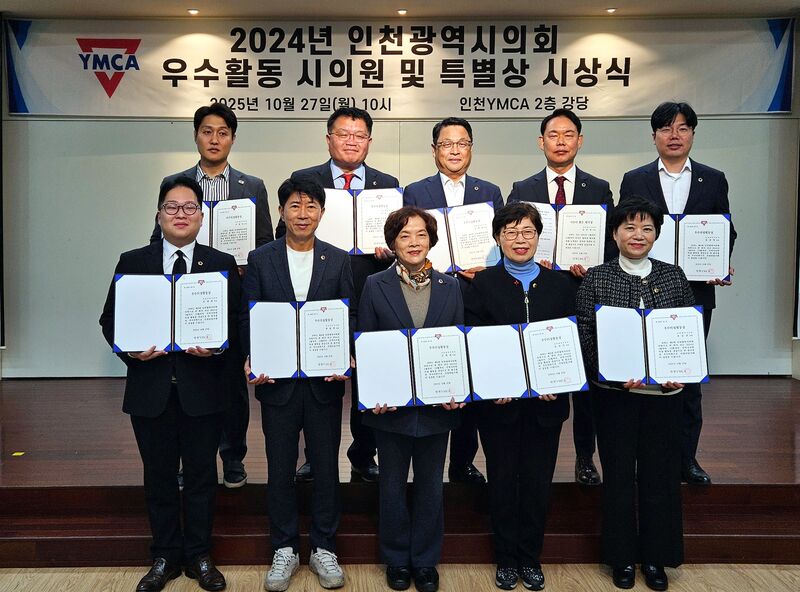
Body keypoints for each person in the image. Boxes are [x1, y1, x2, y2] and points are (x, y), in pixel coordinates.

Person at [100, 176, 239, 592]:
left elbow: (238, 323)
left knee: (201, 476)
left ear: (202, 216)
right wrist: (131, 352)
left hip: (203, 390)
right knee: (158, 476)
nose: (181, 214)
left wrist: (217, 348)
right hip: (151, 390)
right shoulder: (132, 261)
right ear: (159, 215)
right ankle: (163, 556)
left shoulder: (221, 263)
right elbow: (110, 320)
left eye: (189, 207)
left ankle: (199, 554)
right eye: (172, 207)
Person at [151, 102, 275, 489]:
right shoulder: (175, 182)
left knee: (231, 381)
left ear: (233, 139)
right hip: (186, 296)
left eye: (223, 132)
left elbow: (265, 242)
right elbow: (157, 239)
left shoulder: (252, 186)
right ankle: (189, 459)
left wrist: (248, 268)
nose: (214, 139)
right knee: (189, 377)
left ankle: (233, 456)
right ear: (196, 136)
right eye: (207, 131)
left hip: (232, 293)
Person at [242, 174, 354, 592]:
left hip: (324, 382)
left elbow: (349, 315)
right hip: (278, 382)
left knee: (326, 467)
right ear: (282, 212)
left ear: (321, 213)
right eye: (295, 205)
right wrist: (251, 358)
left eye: (310, 206)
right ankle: (284, 548)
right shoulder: (261, 258)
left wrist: (347, 355)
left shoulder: (337, 259)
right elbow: (249, 315)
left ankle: (324, 547)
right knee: (280, 468)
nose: (302, 214)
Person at [576, 196, 692, 591]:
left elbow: (687, 332)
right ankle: (622, 557)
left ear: (656, 234)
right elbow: (585, 333)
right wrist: (611, 373)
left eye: (646, 228)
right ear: (614, 234)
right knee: (619, 476)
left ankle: (657, 558)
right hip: (615, 398)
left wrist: (681, 373)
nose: (637, 235)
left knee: (661, 476)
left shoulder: (674, 276)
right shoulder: (596, 277)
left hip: (664, 398)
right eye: (629, 227)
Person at [620, 101, 737, 485]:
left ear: (692, 134)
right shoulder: (635, 179)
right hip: (642, 289)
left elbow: (725, 229)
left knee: (687, 379)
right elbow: (622, 229)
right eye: (666, 129)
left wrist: (720, 262)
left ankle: (687, 459)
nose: (674, 136)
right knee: (641, 375)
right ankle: (644, 458)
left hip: (695, 293)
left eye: (683, 128)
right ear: (654, 135)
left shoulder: (713, 179)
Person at [281, 107, 399, 484]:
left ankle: (364, 454)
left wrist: (391, 249)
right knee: (318, 378)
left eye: (359, 135)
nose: (351, 141)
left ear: (369, 141)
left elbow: (402, 241)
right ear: (328, 138)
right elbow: (287, 235)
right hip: (319, 294)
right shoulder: (303, 180)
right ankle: (314, 458)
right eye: (343, 134)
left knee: (368, 375)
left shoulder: (387, 184)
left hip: (371, 291)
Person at [464, 202, 576, 591]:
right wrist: (492, 384)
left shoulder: (560, 284)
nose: (520, 239)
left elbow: (568, 342)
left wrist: (558, 381)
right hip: (500, 407)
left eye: (528, 231)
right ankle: (506, 558)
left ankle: (530, 557)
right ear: (498, 238)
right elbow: (474, 341)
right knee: (502, 480)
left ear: (539, 237)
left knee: (537, 483)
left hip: (546, 406)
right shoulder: (483, 284)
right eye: (510, 232)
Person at [358, 206, 464, 592]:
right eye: (404, 235)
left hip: (437, 408)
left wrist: (458, 391)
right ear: (392, 243)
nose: (414, 242)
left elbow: (457, 343)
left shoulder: (451, 286)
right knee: (391, 485)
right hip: (390, 409)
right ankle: (396, 559)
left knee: (431, 485)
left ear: (431, 240)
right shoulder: (374, 285)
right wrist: (373, 395)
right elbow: (366, 342)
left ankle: (425, 561)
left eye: (421, 234)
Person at [507, 109, 615, 486]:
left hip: (584, 294)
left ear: (579, 141)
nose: (561, 141)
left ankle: (585, 457)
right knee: (540, 373)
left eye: (569, 135)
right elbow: (510, 236)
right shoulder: (523, 188)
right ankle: (529, 455)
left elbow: (610, 241)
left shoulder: (598, 188)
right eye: (553, 135)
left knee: (584, 383)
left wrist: (593, 264)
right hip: (537, 295)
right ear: (542, 142)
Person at [403, 116, 504, 485]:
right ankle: (426, 463)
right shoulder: (415, 191)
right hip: (432, 294)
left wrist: (488, 265)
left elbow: (502, 241)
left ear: (471, 148)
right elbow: (408, 241)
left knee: (470, 380)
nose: (455, 150)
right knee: (434, 373)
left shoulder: (489, 191)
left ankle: (462, 461)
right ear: (435, 151)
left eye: (462, 143)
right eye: (447, 144)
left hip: (476, 295)